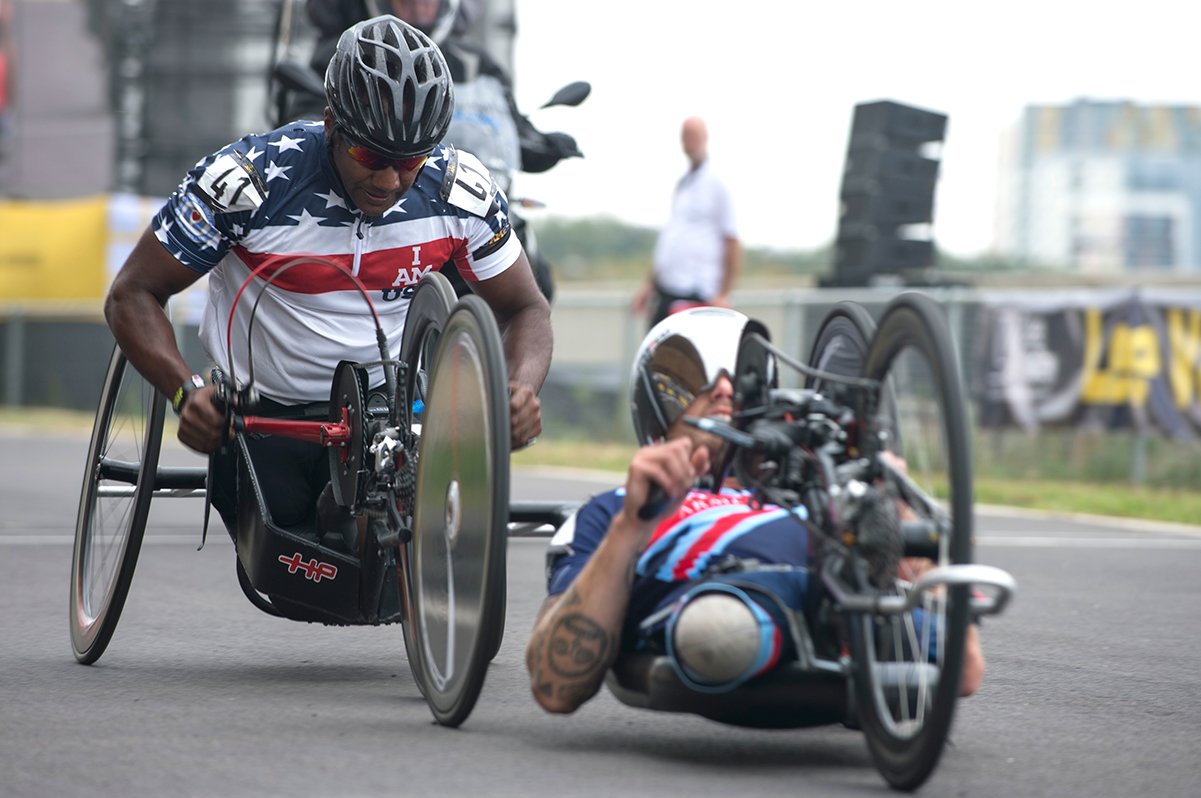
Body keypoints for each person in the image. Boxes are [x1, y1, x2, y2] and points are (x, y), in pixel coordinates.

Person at [104, 15, 551, 535]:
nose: (388, 181)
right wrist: (186, 393)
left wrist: (519, 390)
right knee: (293, 528)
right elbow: (131, 293)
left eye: (410, 162)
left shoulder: (457, 191)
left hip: (387, 412)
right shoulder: (248, 182)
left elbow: (526, 307)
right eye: (370, 155)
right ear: (332, 123)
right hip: (265, 412)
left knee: (368, 530)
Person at [524, 307, 985, 714]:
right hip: (728, 603)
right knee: (720, 629)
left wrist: (894, 508)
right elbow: (553, 686)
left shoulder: (818, 492)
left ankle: (847, 621)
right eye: (697, 378)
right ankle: (832, 628)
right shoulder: (613, 509)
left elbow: (967, 674)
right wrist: (630, 528)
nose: (724, 387)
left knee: (954, 657)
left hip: (840, 588)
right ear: (658, 403)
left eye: (737, 375)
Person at [632, 117, 742, 330]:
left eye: (693, 135)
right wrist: (649, 285)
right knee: (657, 357)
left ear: (705, 137)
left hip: (697, 293)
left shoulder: (718, 184)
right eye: (685, 136)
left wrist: (723, 294)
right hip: (668, 290)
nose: (689, 142)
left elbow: (732, 241)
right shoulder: (683, 184)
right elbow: (672, 239)